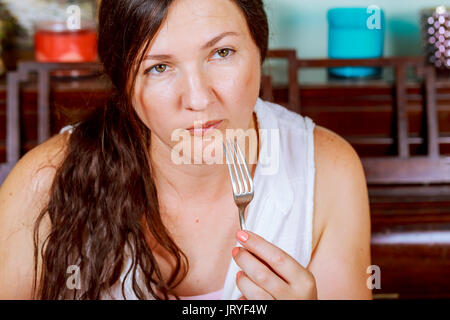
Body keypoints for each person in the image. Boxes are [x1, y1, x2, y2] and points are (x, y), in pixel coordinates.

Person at [0, 0, 372, 300]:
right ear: (123, 82)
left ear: (260, 51)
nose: (197, 99)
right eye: (159, 67)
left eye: (222, 52)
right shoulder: (44, 181)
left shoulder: (326, 169)